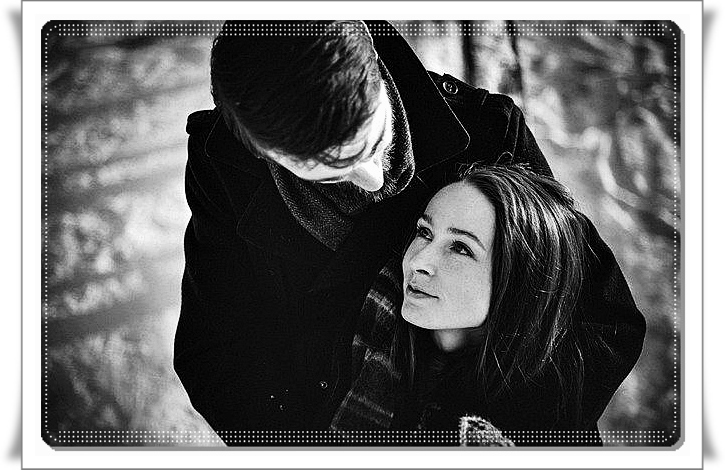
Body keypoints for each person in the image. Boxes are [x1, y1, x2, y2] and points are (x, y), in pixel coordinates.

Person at [174, 20, 644, 445]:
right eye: (331, 172)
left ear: (375, 68)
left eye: (373, 143)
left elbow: (598, 318)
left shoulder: (486, 130)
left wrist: (485, 432)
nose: (374, 180)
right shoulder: (226, 170)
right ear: (262, 152)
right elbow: (216, 355)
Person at [330, 165, 646, 446]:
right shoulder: (367, 323)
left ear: (518, 281)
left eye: (460, 248)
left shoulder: (534, 437)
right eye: (425, 232)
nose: (418, 261)